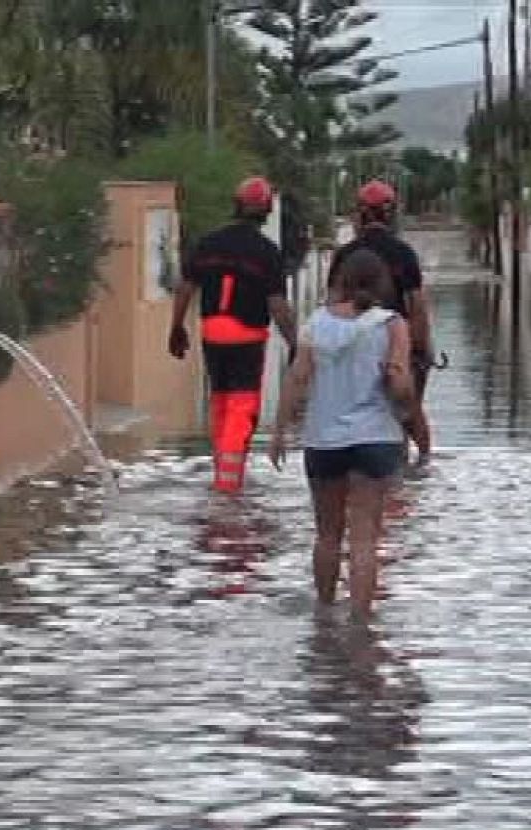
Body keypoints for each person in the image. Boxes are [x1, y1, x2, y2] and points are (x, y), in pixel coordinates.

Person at [270, 248, 415, 611]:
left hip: (323, 442)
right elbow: (399, 382)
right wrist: (407, 405)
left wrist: (279, 431)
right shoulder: (392, 324)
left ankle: (323, 616)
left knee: (327, 535)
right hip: (376, 438)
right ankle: (361, 624)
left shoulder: (316, 324)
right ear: (381, 284)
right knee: (365, 539)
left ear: (340, 282)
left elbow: (297, 378)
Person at [169, 176, 297, 493]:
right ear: (266, 211)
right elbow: (278, 305)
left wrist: (176, 327)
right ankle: (228, 484)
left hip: (212, 332)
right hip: (248, 335)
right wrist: (296, 343)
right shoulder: (267, 252)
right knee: (242, 408)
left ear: (236, 205)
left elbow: (186, 286)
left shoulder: (208, 242)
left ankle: (222, 469)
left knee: (221, 401)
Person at [326, 180, 437, 465]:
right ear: (392, 214)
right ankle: (418, 470)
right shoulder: (403, 254)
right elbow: (418, 307)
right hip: (397, 346)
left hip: (353, 350)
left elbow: (332, 306)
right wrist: (422, 350)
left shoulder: (344, 255)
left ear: (359, 214)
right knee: (407, 412)